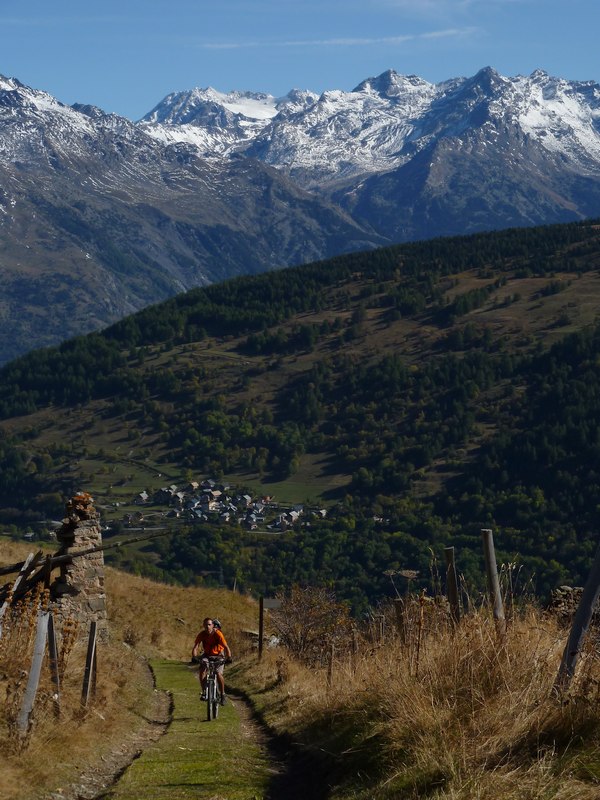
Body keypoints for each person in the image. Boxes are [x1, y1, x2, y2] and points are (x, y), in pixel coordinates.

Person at [192, 617, 232, 705]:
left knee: (218, 674)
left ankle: (222, 695)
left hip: (218, 655)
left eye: (209, 625)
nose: (207, 627)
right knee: (202, 671)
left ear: (213, 625)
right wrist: (194, 656)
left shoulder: (218, 634)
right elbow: (196, 646)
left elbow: (226, 647)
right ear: (203, 626)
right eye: (205, 625)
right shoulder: (202, 634)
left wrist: (229, 657)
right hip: (207, 655)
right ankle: (204, 692)